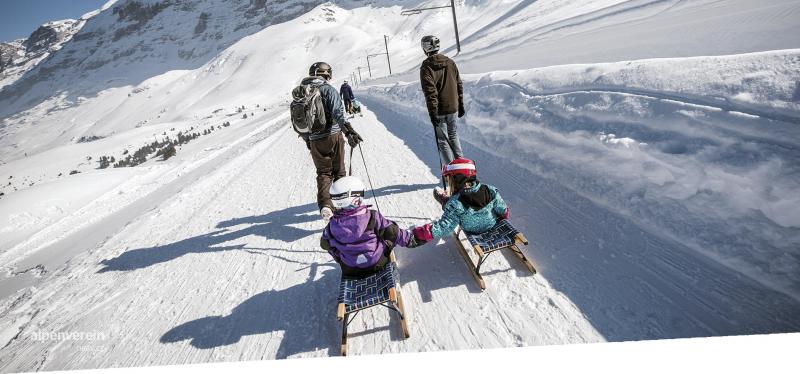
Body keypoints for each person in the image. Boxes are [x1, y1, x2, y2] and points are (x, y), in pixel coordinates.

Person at [300, 62, 364, 221]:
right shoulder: (328, 89)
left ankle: (326, 206)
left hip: (315, 140)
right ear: (326, 73)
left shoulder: (303, 93)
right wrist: (348, 131)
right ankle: (344, 205)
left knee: (323, 173)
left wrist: (308, 139)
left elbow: (301, 122)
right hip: (333, 136)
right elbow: (338, 113)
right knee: (339, 172)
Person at [321, 176, 418, 277]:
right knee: (388, 232)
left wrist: (339, 257)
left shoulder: (331, 226)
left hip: (350, 268)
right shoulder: (372, 217)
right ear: (356, 199)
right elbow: (393, 233)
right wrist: (411, 239)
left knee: (333, 243)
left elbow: (324, 244)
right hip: (377, 263)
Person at [409, 158, 509, 245]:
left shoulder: (456, 203)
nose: (448, 182)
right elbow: (503, 209)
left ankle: (444, 202)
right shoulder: (490, 189)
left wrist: (421, 232)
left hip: (471, 229)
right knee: (453, 204)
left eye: (450, 180)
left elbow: (444, 227)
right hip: (491, 223)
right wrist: (503, 218)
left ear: (458, 180)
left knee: (451, 207)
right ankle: (445, 201)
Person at [419, 35, 465, 165]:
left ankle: (452, 174)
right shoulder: (450, 62)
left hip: (439, 109)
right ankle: (462, 168)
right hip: (453, 107)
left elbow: (430, 92)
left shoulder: (426, 66)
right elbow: (458, 84)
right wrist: (460, 104)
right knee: (453, 135)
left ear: (425, 48)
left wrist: (432, 112)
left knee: (443, 140)